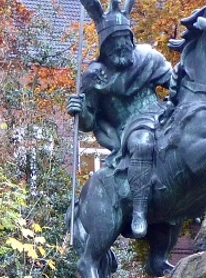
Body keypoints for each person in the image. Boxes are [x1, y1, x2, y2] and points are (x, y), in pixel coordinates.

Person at [67, 0, 172, 238]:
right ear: (105, 46)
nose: (122, 46)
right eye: (115, 42)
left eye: (125, 40)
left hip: (161, 115)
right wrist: (79, 109)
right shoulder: (95, 76)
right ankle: (138, 211)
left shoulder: (148, 58)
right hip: (129, 127)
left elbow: (175, 84)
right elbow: (88, 122)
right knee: (142, 144)